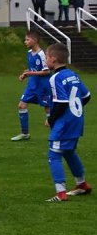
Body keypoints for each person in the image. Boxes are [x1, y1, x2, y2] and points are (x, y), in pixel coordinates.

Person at [43, 43, 92, 202]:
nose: (45, 60)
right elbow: (86, 96)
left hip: (64, 123)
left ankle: (61, 193)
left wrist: (50, 119)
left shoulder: (55, 78)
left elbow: (62, 102)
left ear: (53, 59)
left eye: (46, 57)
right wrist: (74, 111)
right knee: (68, 151)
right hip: (77, 120)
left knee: (54, 154)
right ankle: (82, 184)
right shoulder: (73, 75)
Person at [11, 30, 51, 141]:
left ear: (35, 40)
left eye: (27, 39)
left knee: (48, 109)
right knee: (21, 105)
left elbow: (46, 71)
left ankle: (56, 134)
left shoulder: (41, 54)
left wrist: (31, 73)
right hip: (32, 85)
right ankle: (25, 133)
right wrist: (25, 75)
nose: (25, 42)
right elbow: (32, 69)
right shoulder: (29, 53)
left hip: (43, 86)